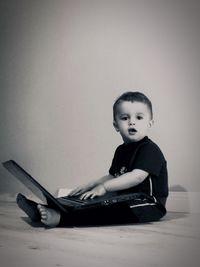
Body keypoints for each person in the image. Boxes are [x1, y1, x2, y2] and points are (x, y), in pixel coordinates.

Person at [17, 91, 168, 227]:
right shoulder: (121, 150)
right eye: (125, 118)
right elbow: (112, 176)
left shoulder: (149, 149)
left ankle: (62, 219)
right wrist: (92, 184)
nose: (132, 122)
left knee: (109, 212)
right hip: (125, 197)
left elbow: (136, 177)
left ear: (150, 123)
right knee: (89, 201)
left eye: (139, 117)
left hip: (148, 203)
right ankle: (49, 208)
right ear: (116, 125)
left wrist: (105, 187)